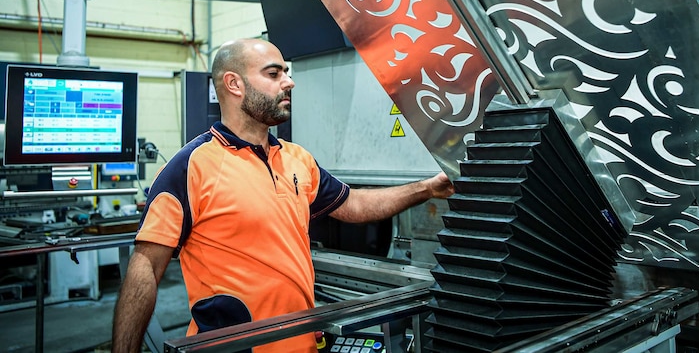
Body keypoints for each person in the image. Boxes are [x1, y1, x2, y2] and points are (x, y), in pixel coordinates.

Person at [111, 38, 454, 352]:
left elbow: (354, 204)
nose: (289, 82)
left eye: (286, 73)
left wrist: (428, 188)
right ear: (234, 84)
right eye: (274, 74)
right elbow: (146, 267)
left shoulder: (297, 159)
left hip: (301, 342)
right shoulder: (190, 166)